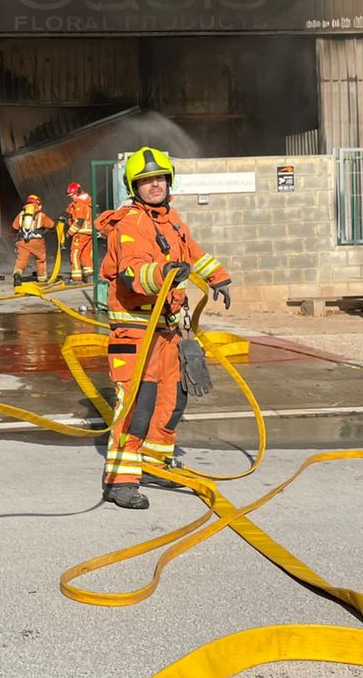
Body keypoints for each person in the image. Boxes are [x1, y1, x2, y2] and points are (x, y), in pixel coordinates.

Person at [94, 147, 232, 510]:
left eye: (159, 179)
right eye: (145, 181)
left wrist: (218, 278)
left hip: (168, 332)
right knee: (138, 406)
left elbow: (193, 254)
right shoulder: (129, 224)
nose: (154, 185)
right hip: (136, 332)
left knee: (171, 402)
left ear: (168, 181)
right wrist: (164, 274)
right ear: (133, 187)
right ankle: (120, 481)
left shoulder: (170, 220)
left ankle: (154, 466)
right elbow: (133, 273)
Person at [10, 194, 54, 287]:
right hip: (37, 242)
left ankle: (17, 274)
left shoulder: (21, 214)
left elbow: (14, 227)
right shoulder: (41, 215)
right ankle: (42, 278)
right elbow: (51, 225)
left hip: (23, 241)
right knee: (40, 259)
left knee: (22, 259)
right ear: (38, 204)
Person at [63, 181, 94, 283]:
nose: (72, 198)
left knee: (75, 254)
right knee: (86, 254)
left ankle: (76, 278)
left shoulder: (80, 204)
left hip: (80, 233)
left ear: (77, 193)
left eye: (72, 195)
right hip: (89, 233)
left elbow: (79, 221)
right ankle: (90, 275)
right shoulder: (89, 202)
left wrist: (69, 233)